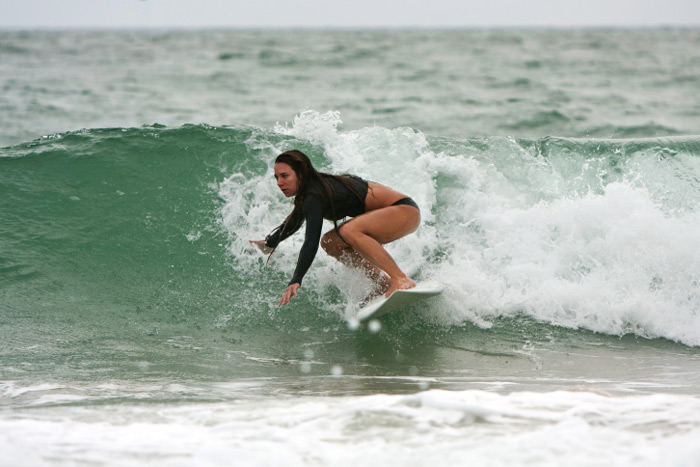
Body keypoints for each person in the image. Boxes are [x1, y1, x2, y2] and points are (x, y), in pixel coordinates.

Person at [250, 150, 421, 306]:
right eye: (276, 177)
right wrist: (270, 243)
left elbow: (311, 241)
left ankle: (400, 278)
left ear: (301, 174)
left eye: (284, 176)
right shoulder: (311, 192)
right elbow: (295, 221)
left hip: (405, 211)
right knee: (330, 242)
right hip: (391, 216)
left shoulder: (315, 194)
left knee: (348, 231)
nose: (279, 183)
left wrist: (296, 280)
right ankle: (381, 282)